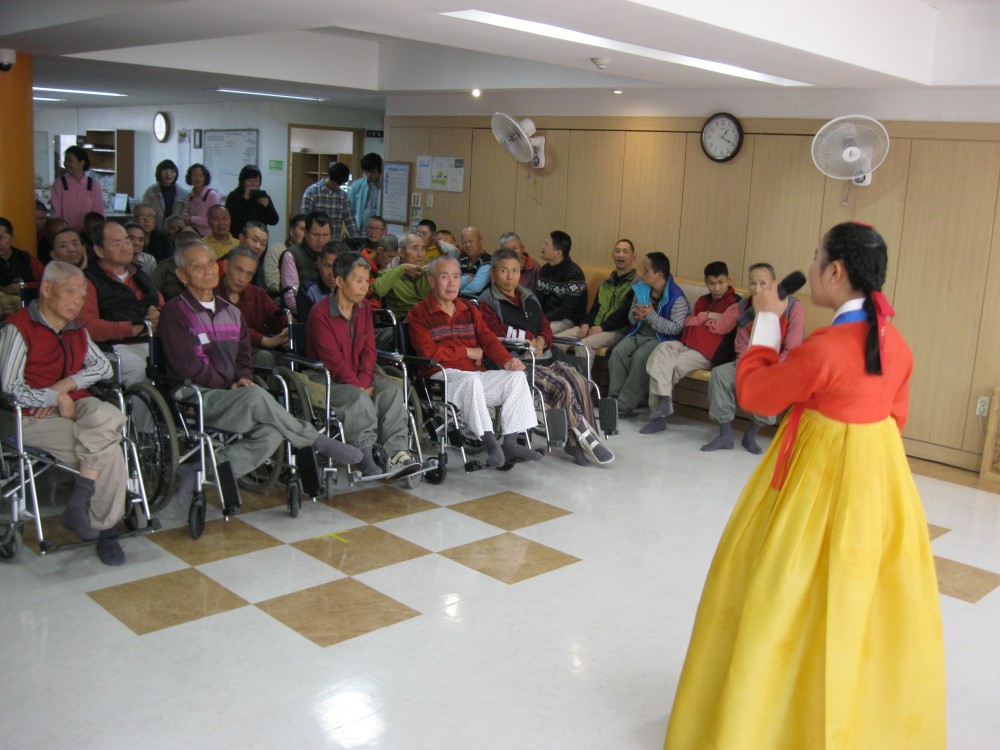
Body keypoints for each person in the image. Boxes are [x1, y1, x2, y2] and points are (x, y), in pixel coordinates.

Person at [663, 222, 945, 750]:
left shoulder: (826, 347)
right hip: (878, 486)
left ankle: (767, 716)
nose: (810, 267)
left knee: (785, 587)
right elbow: (896, 418)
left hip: (816, 483)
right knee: (854, 598)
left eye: (816, 258)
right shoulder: (898, 344)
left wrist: (768, 321)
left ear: (834, 272)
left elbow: (757, 394)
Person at [158, 242, 363, 504]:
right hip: (196, 396)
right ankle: (315, 439)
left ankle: (200, 468)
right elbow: (186, 365)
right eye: (197, 267)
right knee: (256, 397)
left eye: (210, 263)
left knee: (272, 433)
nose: (208, 270)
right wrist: (229, 384)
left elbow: (244, 355)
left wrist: (243, 378)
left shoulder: (231, 312)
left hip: (232, 397)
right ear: (182, 275)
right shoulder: (175, 312)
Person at [0, 261, 128, 565]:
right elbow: (9, 387)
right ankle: (104, 528)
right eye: (70, 292)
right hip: (30, 415)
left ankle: (81, 504)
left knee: (109, 416)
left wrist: (66, 387)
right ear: (46, 289)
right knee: (109, 451)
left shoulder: (76, 329)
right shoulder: (17, 328)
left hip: (74, 402)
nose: (77, 302)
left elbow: (102, 366)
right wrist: (53, 397)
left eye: (82, 296)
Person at [478, 249, 614, 466]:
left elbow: (544, 325)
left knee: (579, 381)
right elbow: (494, 331)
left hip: (545, 356)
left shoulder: (528, 296)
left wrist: (542, 340)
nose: (510, 276)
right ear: (493, 273)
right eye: (504, 271)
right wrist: (528, 339)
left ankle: (584, 438)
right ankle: (577, 441)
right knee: (562, 387)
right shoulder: (488, 300)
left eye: (515, 271)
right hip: (518, 361)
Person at [408, 257, 543, 468]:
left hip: (473, 375)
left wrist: (507, 361)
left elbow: (488, 339)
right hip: (439, 377)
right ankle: (491, 445)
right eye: (445, 277)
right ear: (432, 281)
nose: (452, 283)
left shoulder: (469, 309)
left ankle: (510, 443)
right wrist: (467, 352)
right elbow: (428, 352)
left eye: (456, 277)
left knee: (516, 377)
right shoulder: (418, 313)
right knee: (470, 381)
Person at [306, 251, 420, 479]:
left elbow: (369, 349)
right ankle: (365, 455)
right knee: (357, 398)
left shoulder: (365, 307)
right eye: (358, 280)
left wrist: (365, 380)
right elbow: (333, 361)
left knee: (391, 392)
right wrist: (358, 386)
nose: (364, 286)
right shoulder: (320, 313)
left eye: (367, 281)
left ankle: (396, 453)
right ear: (340, 281)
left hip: (360, 375)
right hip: (326, 377)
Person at [701, 263, 805, 453]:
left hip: (779, 367)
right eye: (752, 283)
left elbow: (792, 350)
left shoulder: (792, 307)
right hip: (749, 363)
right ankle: (725, 434)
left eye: (763, 283)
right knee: (720, 374)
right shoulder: (744, 306)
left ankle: (751, 432)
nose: (757, 289)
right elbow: (741, 344)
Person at [641, 261, 740, 434]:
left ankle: (658, 416)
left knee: (671, 365)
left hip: (708, 353)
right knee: (661, 351)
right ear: (706, 282)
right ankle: (663, 402)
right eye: (711, 283)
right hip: (686, 343)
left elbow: (722, 327)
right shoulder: (703, 300)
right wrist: (708, 316)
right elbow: (687, 321)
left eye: (721, 282)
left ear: (729, 280)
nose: (716, 288)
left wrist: (700, 320)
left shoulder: (736, 303)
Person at [79, 221, 163, 386]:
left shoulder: (139, 274)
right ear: (99, 250)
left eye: (127, 241)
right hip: (113, 347)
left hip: (151, 340)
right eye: (117, 243)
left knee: (180, 360)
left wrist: (159, 314)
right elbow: (88, 326)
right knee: (140, 370)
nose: (126, 247)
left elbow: (160, 304)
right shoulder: (88, 280)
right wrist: (132, 328)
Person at [608, 251, 689, 415]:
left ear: (659, 275)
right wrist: (636, 314)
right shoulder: (642, 289)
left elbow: (676, 328)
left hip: (662, 339)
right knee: (618, 352)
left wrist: (651, 316)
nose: (641, 273)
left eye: (646, 270)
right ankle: (615, 398)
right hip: (639, 333)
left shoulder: (677, 297)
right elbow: (631, 318)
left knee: (641, 357)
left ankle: (627, 402)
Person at [559, 238, 637, 352]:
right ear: (613, 255)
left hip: (617, 331)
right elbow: (595, 309)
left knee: (584, 345)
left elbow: (625, 314)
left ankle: (581, 366)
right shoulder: (606, 283)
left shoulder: (636, 284)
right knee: (558, 340)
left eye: (625, 251)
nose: (620, 255)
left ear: (633, 256)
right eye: (617, 251)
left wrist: (602, 327)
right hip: (595, 326)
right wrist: (586, 324)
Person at [217, 246, 289, 365]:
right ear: (226, 266)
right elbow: (230, 327)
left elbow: (278, 317)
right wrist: (265, 341)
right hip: (229, 354)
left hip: (259, 351)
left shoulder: (257, 294)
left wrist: (288, 331)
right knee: (264, 357)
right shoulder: (210, 293)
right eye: (238, 270)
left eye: (249, 274)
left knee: (289, 360)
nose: (242, 279)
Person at [369, 230, 430, 348]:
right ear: (401, 252)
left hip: (427, 323)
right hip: (403, 325)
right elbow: (378, 290)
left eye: (423, 249)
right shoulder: (389, 274)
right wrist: (402, 268)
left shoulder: (429, 274)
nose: (420, 254)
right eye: (415, 248)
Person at [280, 211, 331, 315]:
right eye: (316, 235)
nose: (321, 240)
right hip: (303, 314)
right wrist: (319, 314)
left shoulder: (334, 254)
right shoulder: (291, 255)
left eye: (325, 235)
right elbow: (291, 299)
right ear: (306, 233)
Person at [536, 230, 587, 334]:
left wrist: (542, 319)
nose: (542, 246)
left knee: (538, 330)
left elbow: (567, 309)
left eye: (546, 244)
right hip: (547, 317)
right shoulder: (545, 269)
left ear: (558, 253)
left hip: (568, 320)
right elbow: (538, 298)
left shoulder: (574, 273)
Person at [50, 145, 105, 232]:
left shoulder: (93, 185)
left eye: (70, 161)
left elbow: (98, 213)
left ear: (81, 163)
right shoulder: (60, 184)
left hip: (88, 234)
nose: (66, 163)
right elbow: (55, 213)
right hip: (65, 232)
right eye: (65, 160)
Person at [300, 161, 359, 238]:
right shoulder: (312, 192)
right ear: (329, 176)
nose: (337, 186)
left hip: (334, 240)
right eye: (335, 183)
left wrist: (356, 236)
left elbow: (349, 219)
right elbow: (305, 219)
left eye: (339, 184)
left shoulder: (343, 195)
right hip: (316, 239)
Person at [0, 217, 46, 314]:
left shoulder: (26, 258)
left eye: (1, 238)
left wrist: (24, 286)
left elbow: (47, 282)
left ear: (11, 237)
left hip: (30, 308)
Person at [225, 165, 279, 238]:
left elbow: (274, 221)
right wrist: (243, 199)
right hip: (238, 238)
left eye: (256, 181)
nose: (253, 184)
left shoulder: (263, 196)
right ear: (242, 181)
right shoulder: (234, 195)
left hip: (258, 239)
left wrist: (267, 206)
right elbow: (227, 216)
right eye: (249, 180)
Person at [297, 241, 345, 323]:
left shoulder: (352, 287)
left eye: (339, 267)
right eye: (328, 266)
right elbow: (307, 325)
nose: (332, 273)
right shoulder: (307, 290)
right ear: (319, 263)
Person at [141, 159, 189, 231]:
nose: (168, 174)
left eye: (172, 171)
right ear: (159, 172)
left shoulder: (183, 194)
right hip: (156, 231)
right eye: (165, 170)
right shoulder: (151, 192)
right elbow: (144, 212)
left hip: (176, 232)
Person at [265, 213, 305, 295]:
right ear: (291, 231)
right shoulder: (276, 249)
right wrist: (295, 291)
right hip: (281, 296)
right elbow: (272, 282)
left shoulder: (311, 252)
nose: (306, 234)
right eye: (303, 229)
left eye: (308, 230)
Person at [181, 163, 219, 237]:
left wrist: (192, 219)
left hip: (208, 237)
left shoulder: (212, 195)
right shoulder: (190, 195)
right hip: (193, 235)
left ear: (205, 178)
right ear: (190, 178)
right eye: (194, 176)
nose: (197, 178)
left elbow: (215, 221)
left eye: (201, 176)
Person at [347, 153, 383, 229]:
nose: (369, 175)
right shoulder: (356, 185)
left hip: (379, 229)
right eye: (366, 172)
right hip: (360, 228)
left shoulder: (385, 187)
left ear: (380, 170)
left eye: (373, 172)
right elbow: (350, 210)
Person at [458, 226, 491, 295]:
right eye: (464, 242)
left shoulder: (488, 261)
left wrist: (457, 291)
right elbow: (451, 281)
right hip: (457, 299)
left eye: (471, 241)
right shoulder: (462, 260)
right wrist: (466, 279)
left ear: (480, 240)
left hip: (477, 301)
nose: (467, 245)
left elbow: (475, 287)